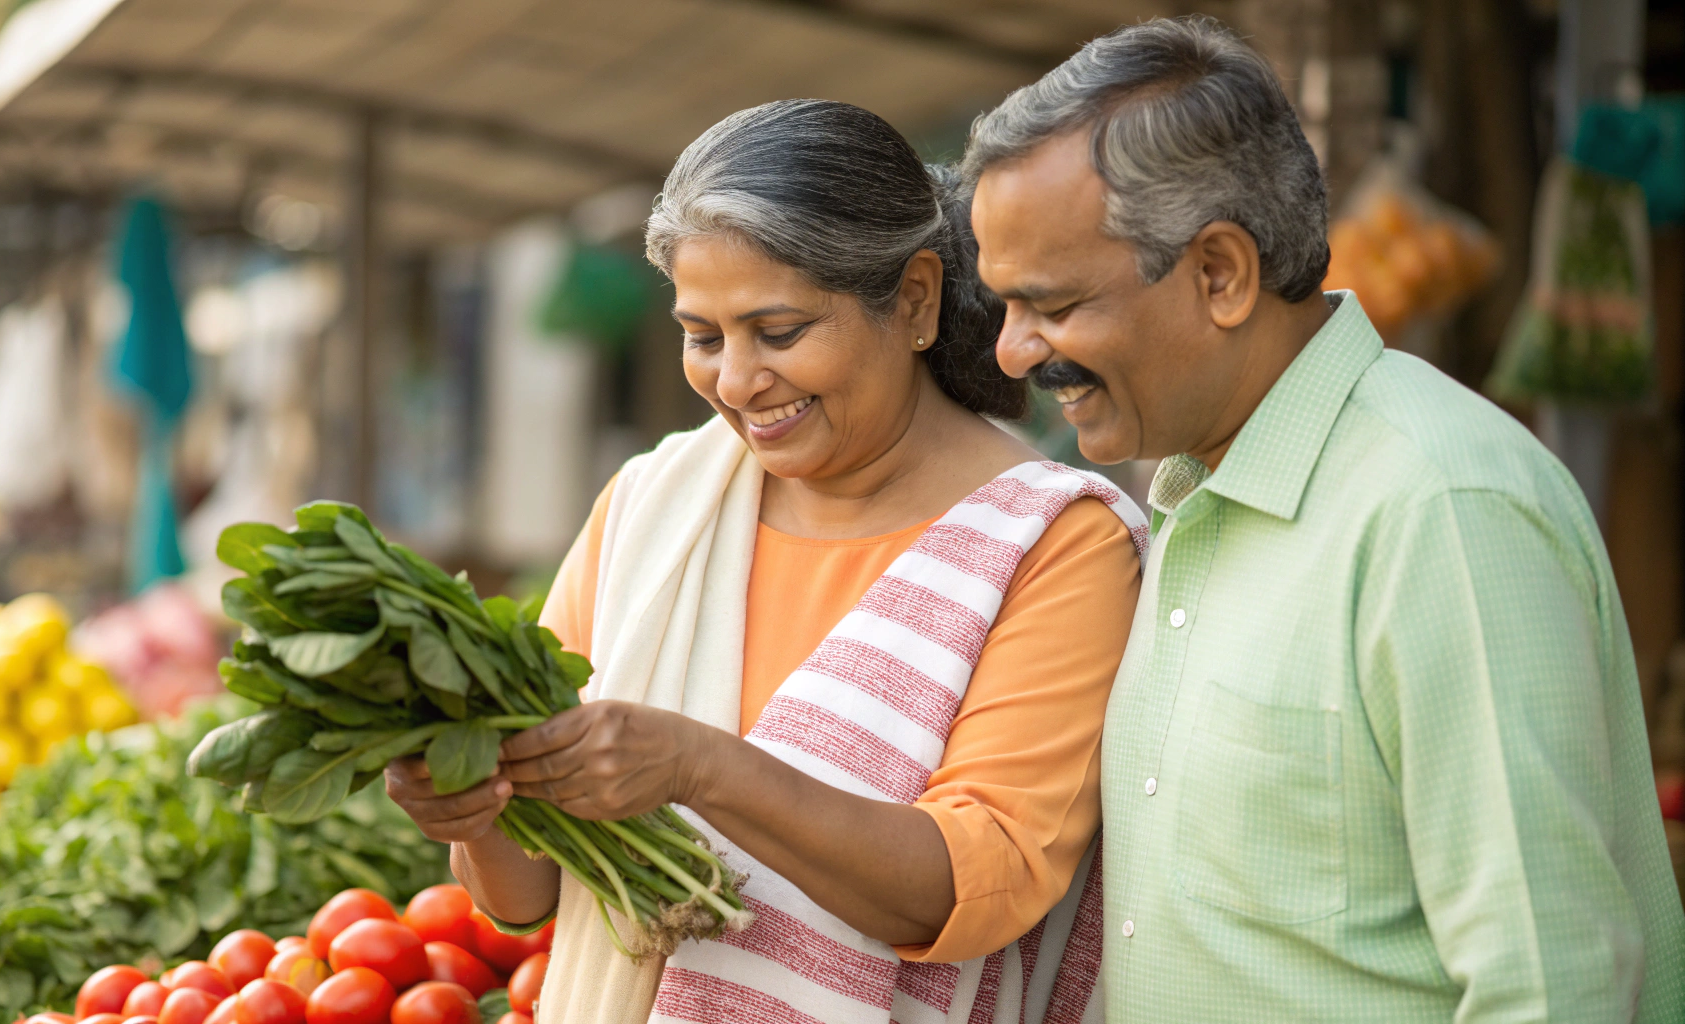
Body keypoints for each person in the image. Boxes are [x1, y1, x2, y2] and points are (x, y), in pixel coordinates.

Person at [961, 15, 1685, 1023]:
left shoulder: (1440, 509)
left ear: (1219, 273)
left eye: (1048, 304)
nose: (1010, 351)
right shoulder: (1188, 496)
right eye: (1002, 306)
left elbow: (1550, 982)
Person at [385, 99, 1146, 1023]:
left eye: (778, 332)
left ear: (913, 299)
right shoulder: (652, 510)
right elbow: (530, 894)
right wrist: (476, 807)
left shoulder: (1057, 544)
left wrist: (701, 769)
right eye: (703, 337)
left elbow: (972, 888)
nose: (737, 383)